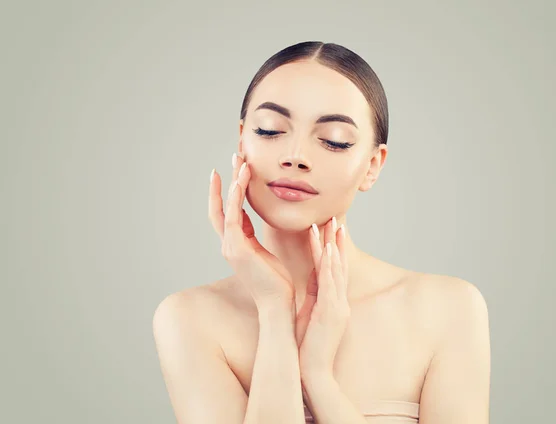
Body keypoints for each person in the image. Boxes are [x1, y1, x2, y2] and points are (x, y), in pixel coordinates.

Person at [153, 41, 491, 424]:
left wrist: (318, 378)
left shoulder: (448, 309)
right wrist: (274, 311)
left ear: (372, 165)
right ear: (242, 140)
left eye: (333, 139)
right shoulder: (189, 318)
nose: (295, 155)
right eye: (270, 130)